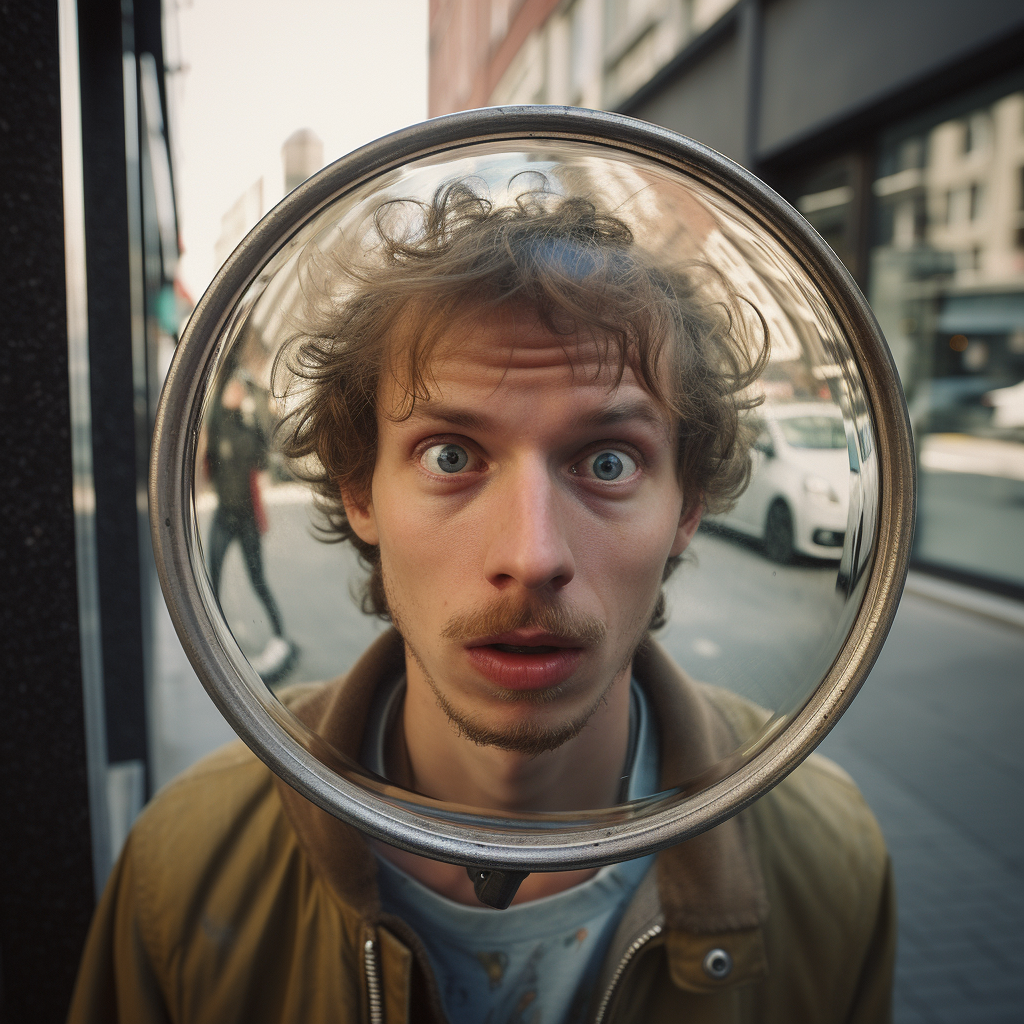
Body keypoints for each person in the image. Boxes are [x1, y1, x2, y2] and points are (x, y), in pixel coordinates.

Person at [69, 182, 894, 1023]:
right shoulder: (188, 864)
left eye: (608, 462)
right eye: (451, 455)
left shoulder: (828, 859)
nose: (531, 557)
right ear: (361, 493)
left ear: (686, 509)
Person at [205, 370, 296, 682]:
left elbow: (268, 439)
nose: (233, 391)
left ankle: (280, 638)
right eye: (230, 386)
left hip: (246, 521)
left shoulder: (249, 431)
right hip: (223, 518)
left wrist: (257, 392)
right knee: (208, 581)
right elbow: (218, 391)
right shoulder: (217, 425)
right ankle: (212, 645)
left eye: (237, 388)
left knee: (258, 581)